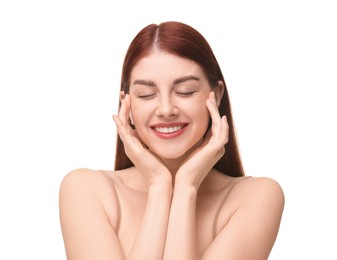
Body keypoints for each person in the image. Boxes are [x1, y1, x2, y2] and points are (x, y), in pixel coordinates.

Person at [59, 21, 285, 260]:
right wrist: (159, 185)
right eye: (147, 94)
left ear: (216, 96)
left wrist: (187, 186)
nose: (166, 109)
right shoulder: (86, 190)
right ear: (128, 106)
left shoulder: (257, 197)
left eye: (185, 91)